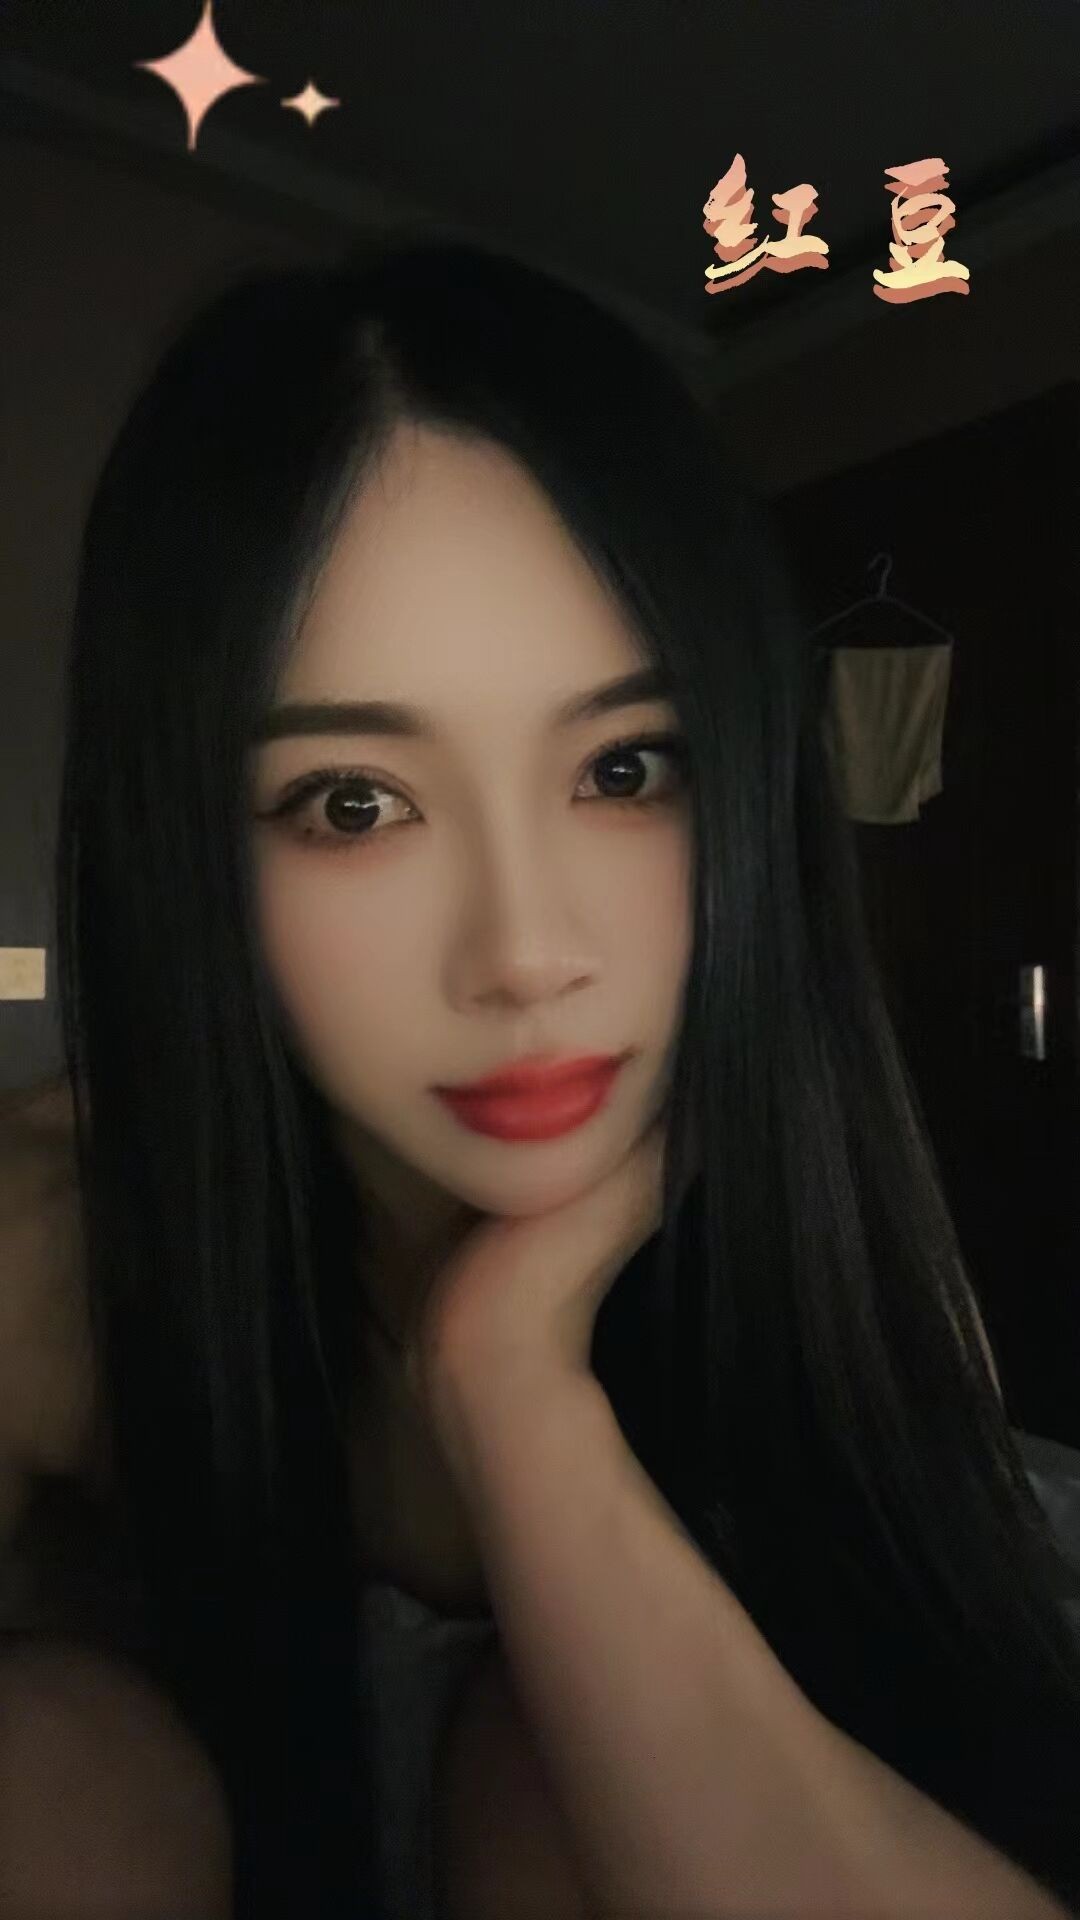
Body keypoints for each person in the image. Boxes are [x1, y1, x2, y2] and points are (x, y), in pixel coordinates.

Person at [2, 233, 1079, 1920]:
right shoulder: (54, 1248)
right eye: (354, 803)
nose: (525, 952)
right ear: (188, 849)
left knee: (555, 1776)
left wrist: (513, 1393)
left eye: (626, 769)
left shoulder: (854, 1281)